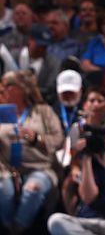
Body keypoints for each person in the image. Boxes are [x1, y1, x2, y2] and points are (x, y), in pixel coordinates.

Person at [0, 70, 64, 232]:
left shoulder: (43, 111)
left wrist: (38, 139)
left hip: (39, 167)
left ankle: (18, 229)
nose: (2, 89)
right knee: (2, 190)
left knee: (32, 189)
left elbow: (59, 141)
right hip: (5, 169)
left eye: (7, 85)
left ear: (21, 88)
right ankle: (8, 228)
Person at [53, 69, 83, 136]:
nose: (69, 96)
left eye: (72, 93)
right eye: (65, 93)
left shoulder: (88, 109)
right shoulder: (50, 110)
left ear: (80, 90)